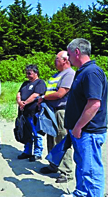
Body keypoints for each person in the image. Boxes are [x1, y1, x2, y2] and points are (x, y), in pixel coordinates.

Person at [61, 38, 107, 197]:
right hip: (80, 131)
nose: (68, 57)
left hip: (89, 131)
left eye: (69, 54)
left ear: (77, 52)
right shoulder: (83, 71)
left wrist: (78, 127)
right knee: (81, 166)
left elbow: (94, 104)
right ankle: (81, 193)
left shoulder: (92, 72)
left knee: (91, 170)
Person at [38, 51, 75, 183]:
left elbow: (60, 94)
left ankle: (66, 172)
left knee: (62, 140)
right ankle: (53, 165)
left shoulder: (70, 73)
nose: (54, 61)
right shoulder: (56, 75)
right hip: (50, 110)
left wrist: (43, 97)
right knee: (51, 138)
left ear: (65, 60)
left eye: (57, 59)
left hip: (62, 111)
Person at [16, 65, 46, 161]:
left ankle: (37, 153)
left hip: (33, 112)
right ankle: (27, 151)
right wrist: (20, 101)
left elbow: (35, 95)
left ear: (36, 73)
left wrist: (25, 103)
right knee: (26, 132)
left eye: (29, 73)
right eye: (27, 73)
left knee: (36, 133)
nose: (27, 75)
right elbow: (19, 93)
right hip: (23, 112)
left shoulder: (40, 83)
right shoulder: (25, 83)